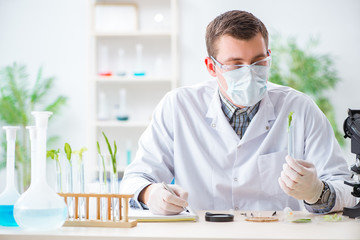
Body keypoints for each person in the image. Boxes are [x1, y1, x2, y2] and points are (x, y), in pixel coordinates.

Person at [121, 10, 355, 215]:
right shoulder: (178, 106)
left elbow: (348, 190)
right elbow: (134, 179)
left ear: (268, 56)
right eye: (236, 65)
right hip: (201, 234)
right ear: (212, 67)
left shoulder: (300, 108)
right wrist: (151, 194)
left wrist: (317, 192)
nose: (250, 74)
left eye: (258, 62)